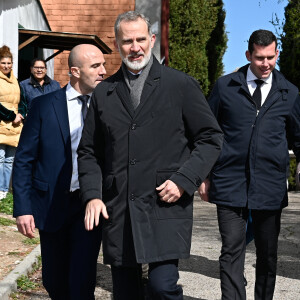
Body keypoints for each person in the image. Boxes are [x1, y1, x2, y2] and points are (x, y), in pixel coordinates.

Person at [77, 11, 223, 300]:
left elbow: (211, 138)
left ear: (152, 39)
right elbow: (89, 151)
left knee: (162, 286)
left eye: (141, 39)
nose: (135, 47)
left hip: (164, 203)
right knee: (126, 292)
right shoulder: (104, 92)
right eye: (127, 41)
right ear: (117, 44)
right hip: (119, 207)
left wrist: (184, 180)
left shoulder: (180, 85)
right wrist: (93, 195)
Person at [199, 29, 300, 300]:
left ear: (277, 54)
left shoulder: (289, 93)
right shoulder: (225, 86)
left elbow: (298, 137)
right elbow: (208, 132)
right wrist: (204, 176)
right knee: (231, 251)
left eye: (270, 57)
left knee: (268, 256)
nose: (265, 64)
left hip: (270, 187)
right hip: (230, 183)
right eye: (259, 58)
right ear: (248, 55)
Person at [12, 44, 107, 300]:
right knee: (53, 280)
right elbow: (24, 159)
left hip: (88, 204)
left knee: (82, 278)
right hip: (51, 202)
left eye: (103, 65)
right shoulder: (44, 106)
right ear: (75, 71)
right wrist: (23, 207)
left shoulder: (107, 106)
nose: (103, 71)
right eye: (96, 66)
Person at [0, 45, 26, 200]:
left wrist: (21, 112)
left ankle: (3, 191)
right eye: (3, 63)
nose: (6, 66)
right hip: (3, 123)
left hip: (15, 126)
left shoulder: (15, 80)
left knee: (10, 160)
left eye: (9, 63)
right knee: (0, 158)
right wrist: (11, 115)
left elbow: (21, 100)